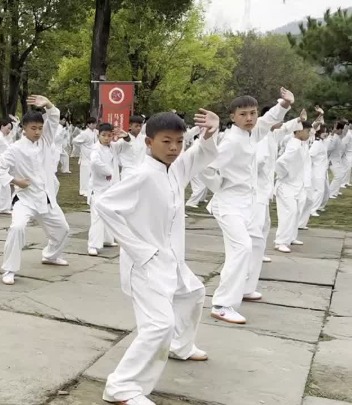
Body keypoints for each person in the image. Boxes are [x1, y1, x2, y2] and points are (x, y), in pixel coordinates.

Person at [95, 109, 220, 405]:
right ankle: (121, 386)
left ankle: (181, 345)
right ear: (149, 142)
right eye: (167, 142)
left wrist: (210, 135)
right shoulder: (141, 174)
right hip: (146, 265)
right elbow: (104, 205)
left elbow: (200, 155)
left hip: (171, 260)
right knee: (158, 325)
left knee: (194, 293)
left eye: (179, 141)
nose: (175, 148)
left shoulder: (174, 167)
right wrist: (139, 250)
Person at [199, 87, 294, 324]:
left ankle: (245, 288)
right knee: (241, 248)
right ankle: (222, 304)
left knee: (254, 244)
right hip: (229, 204)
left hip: (248, 203)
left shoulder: (253, 132)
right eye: (243, 114)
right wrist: (220, 186)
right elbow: (207, 166)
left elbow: (269, 119)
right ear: (233, 117)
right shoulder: (231, 141)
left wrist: (284, 104)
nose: (250, 118)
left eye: (252, 113)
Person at [0, 95, 69, 285]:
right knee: (17, 228)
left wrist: (48, 104)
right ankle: (9, 269)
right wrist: (15, 180)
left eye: (40, 128)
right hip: (25, 199)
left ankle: (50, 255)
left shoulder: (45, 141)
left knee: (63, 230)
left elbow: (54, 117)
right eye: (33, 128)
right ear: (24, 129)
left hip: (46, 197)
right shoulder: (15, 149)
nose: (37, 132)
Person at [273, 121, 313, 252]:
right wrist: (284, 176)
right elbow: (280, 163)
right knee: (288, 213)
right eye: (307, 131)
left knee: (296, 212)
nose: (309, 134)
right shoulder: (293, 145)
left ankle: (290, 237)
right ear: (299, 131)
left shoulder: (302, 145)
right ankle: (280, 241)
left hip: (298, 185)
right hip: (287, 185)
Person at [87, 123, 122, 256]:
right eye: (104, 135)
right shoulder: (95, 149)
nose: (107, 138)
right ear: (98, 135)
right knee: (97, 215)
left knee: (110, 212)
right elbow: (95, 163)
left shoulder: (112, 147)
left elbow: (125, 146)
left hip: (111, 187)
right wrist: (108, 172)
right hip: (98, 187)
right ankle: (93, 245)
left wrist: (126, 137)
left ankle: (108, 239)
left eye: (109, 135)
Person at [73, 117, 98, 197]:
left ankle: (91, 189)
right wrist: (82, 147)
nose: (94, 125)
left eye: (95, 123)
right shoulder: (84, 133)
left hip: (93, 154)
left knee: (92, 173)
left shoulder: (95, 132)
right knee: (85, 173)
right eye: (92, 123)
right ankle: (83, 190)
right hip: (85, 155)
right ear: (88, 124)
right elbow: (75, 141)